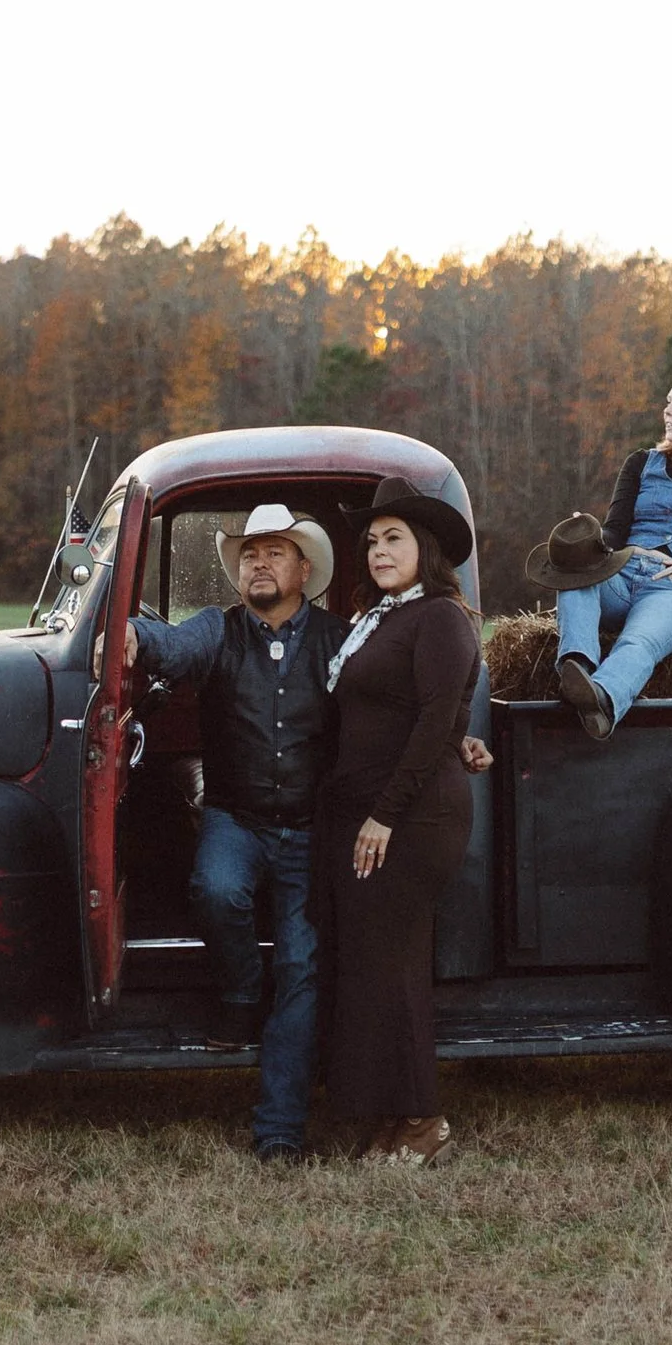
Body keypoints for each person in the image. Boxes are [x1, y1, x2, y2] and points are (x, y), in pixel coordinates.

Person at [128, 496, 492, 1164]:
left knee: (311, 966)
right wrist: (132, 636)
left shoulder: (348, 635)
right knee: (218, 890)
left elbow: (426, 702)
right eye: (247, 556)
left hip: (326, 825)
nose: (257, 565)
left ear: (304, 568)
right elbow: (174, 647)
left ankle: (282, 1132)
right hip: (248, 816)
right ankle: (243, 1000)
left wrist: (455, 742)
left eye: (273, 553)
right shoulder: (234, 628)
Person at [312, 476, 484, 1166]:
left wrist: (384, 814)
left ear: (427, 548)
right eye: (373, 540)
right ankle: (388, 1116)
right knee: (371, 967)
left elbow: (438, 716)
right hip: (366, 813)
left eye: (394, 538)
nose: (379, 551)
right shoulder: (378, 617)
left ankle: (424, 1122)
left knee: (397, 966)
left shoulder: (439, 615)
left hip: (411, 819)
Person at [533, 369, 672, 740]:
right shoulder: (641, 463)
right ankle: (577, 667)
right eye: (668, 401)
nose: (667, 411)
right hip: (621, 573)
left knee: (639, 642)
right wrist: (589, 537)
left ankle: (602, 698)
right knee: (574, 576)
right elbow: (615, 530)